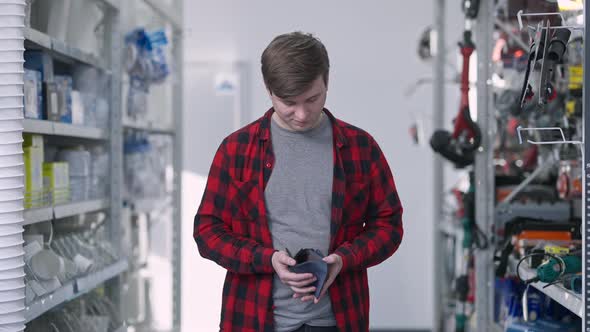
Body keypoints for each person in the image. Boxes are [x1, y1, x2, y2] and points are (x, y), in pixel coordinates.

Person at [194, 31, 404, 332]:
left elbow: (389, 225)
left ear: (327, 82)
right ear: (269, 89)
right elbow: (207, 231)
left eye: (312, 99)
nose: (302, 114)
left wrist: (343, 260)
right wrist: (266, 259)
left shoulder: (361, 148)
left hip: (338, 319)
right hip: (255, 319)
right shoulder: (235, 150)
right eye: (288, 102)